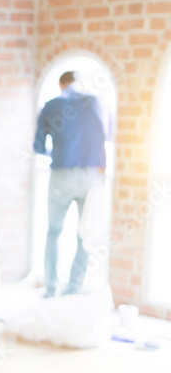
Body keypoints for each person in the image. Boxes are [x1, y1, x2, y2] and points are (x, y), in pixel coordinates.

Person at [33, 70, 111, 297]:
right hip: (92, 177)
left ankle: (50, 289)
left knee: (54, 231)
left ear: (61, 84)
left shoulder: (52, 105)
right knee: (85, 234)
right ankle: (72, 289)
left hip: (62, 174)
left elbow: (38, 146)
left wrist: (57, 152)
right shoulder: (98, 102)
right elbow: (108, 135)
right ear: (79, 83)